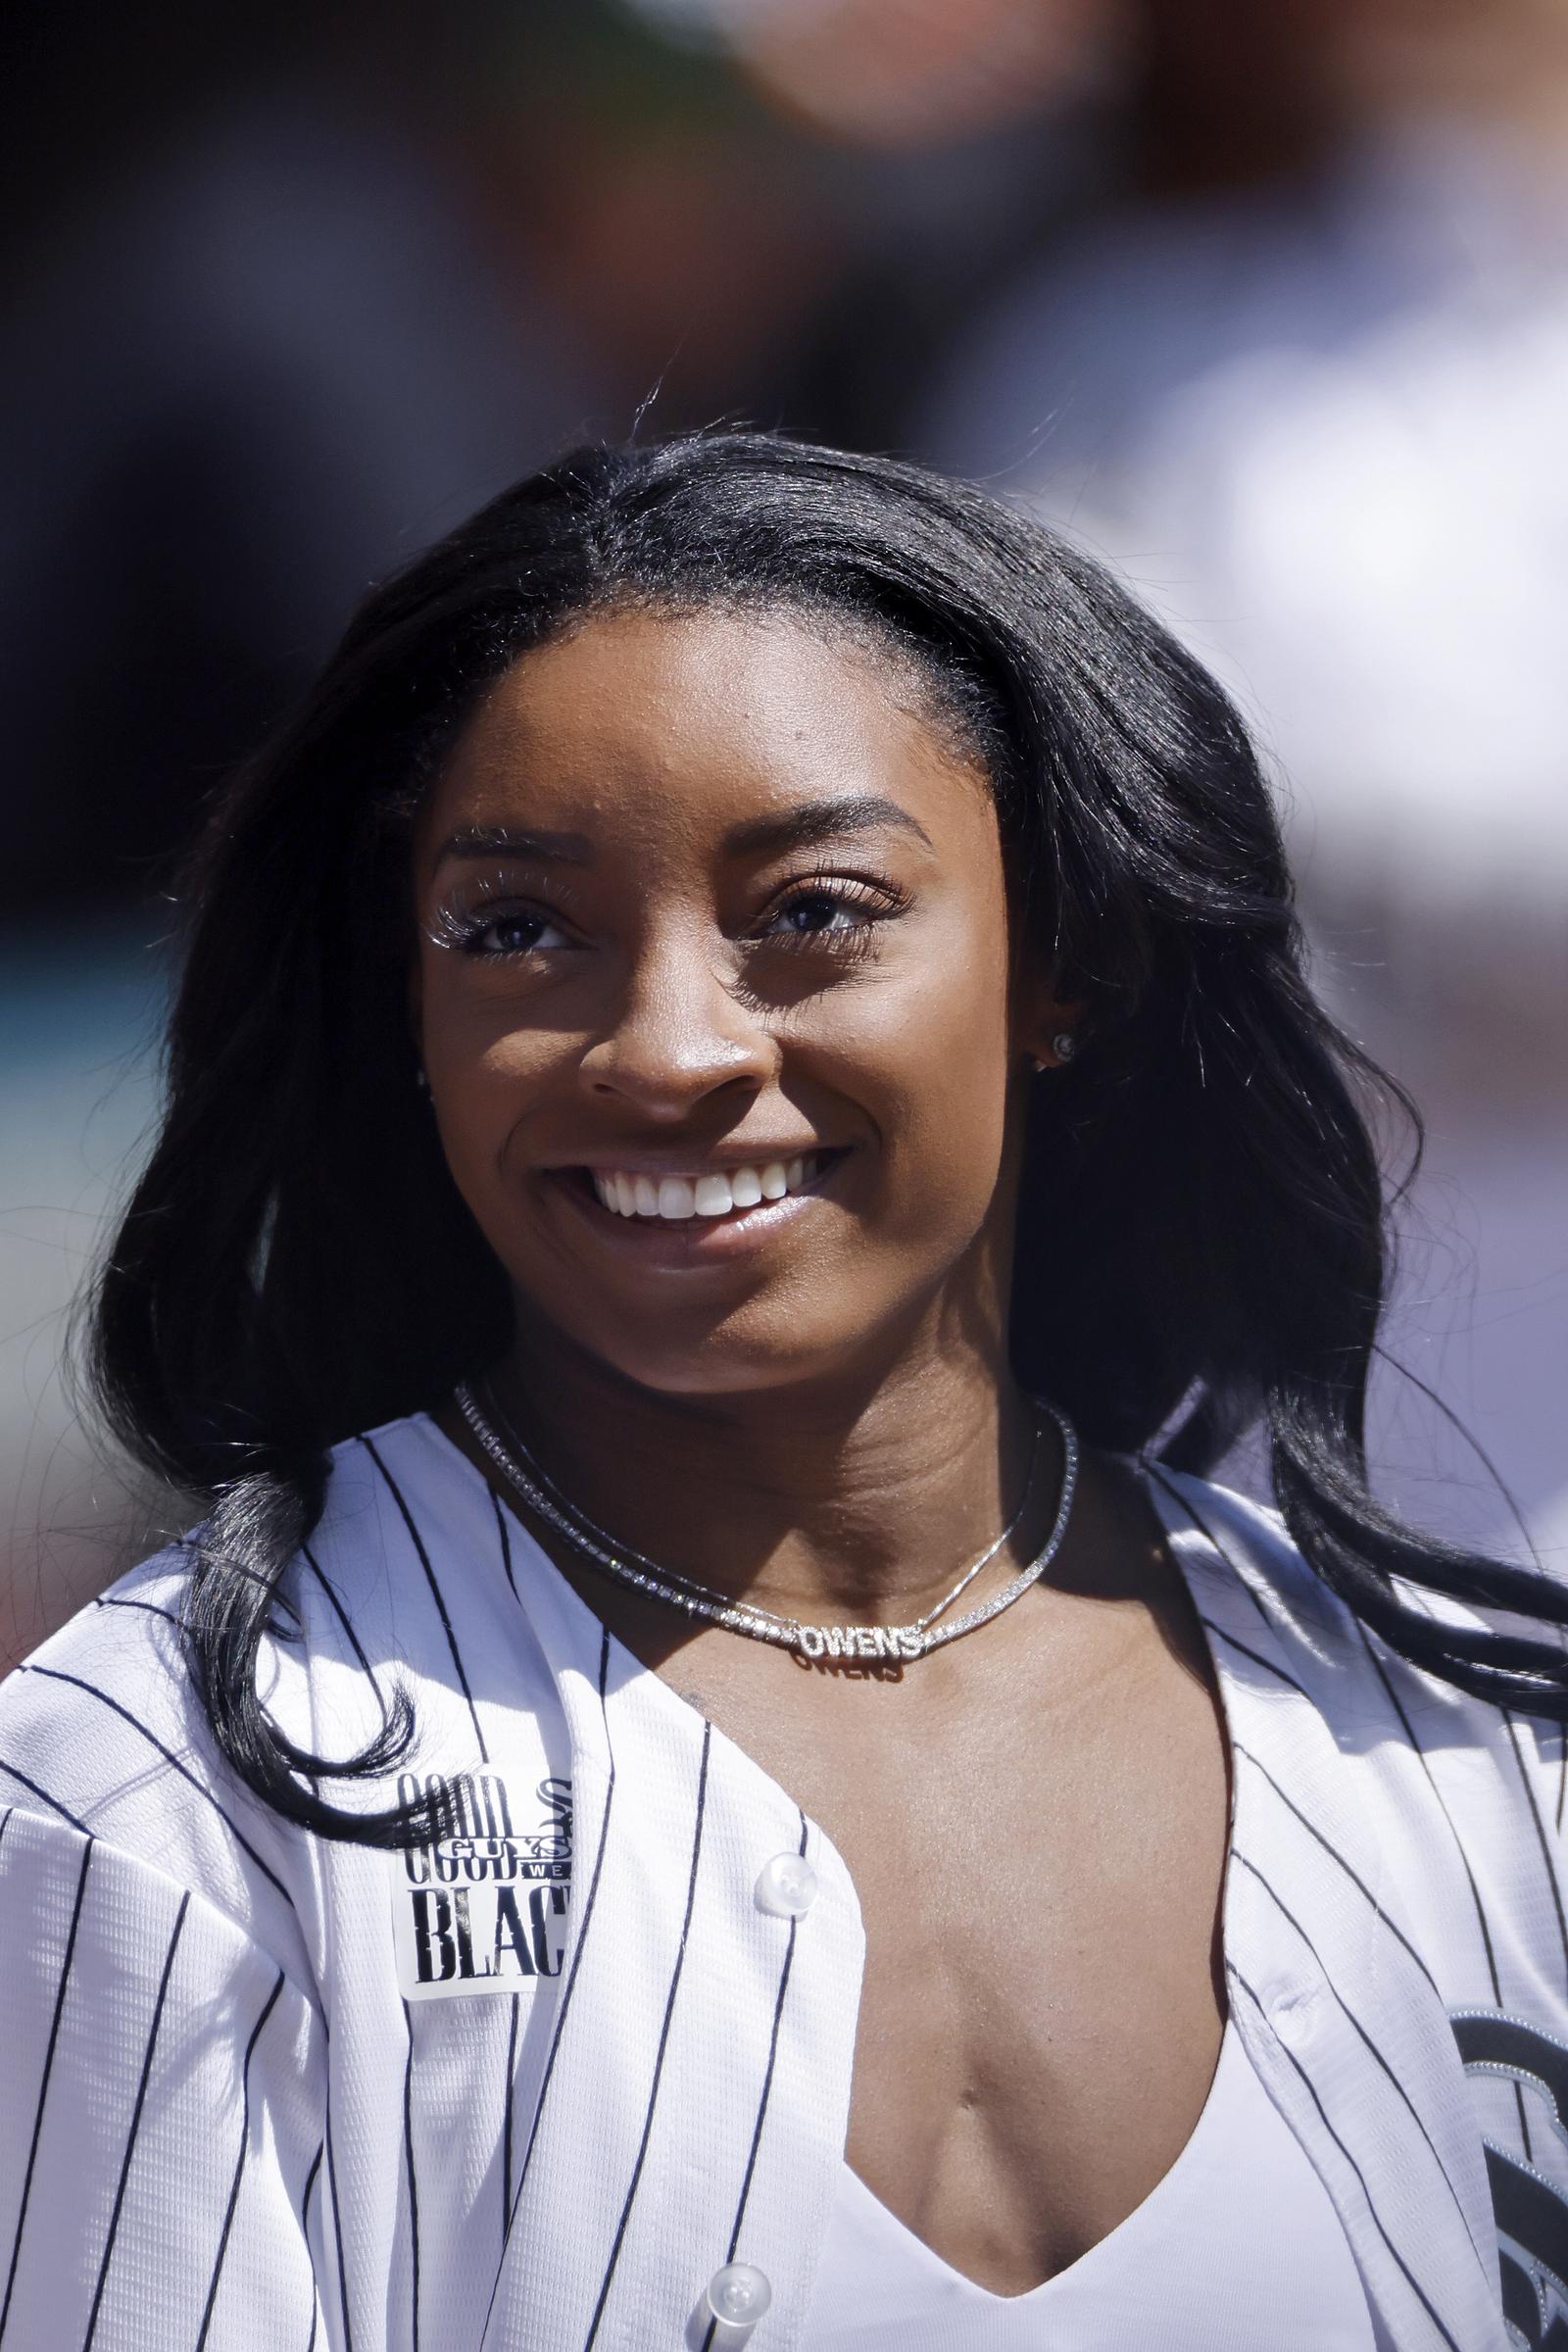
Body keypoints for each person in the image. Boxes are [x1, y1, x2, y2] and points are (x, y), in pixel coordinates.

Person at [0, 431, 1564, 2352]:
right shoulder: (168, 1791)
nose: (666, 1047)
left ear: (1056, 959)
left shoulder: (1460, 1753)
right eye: (515, 928)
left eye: (809, 911)